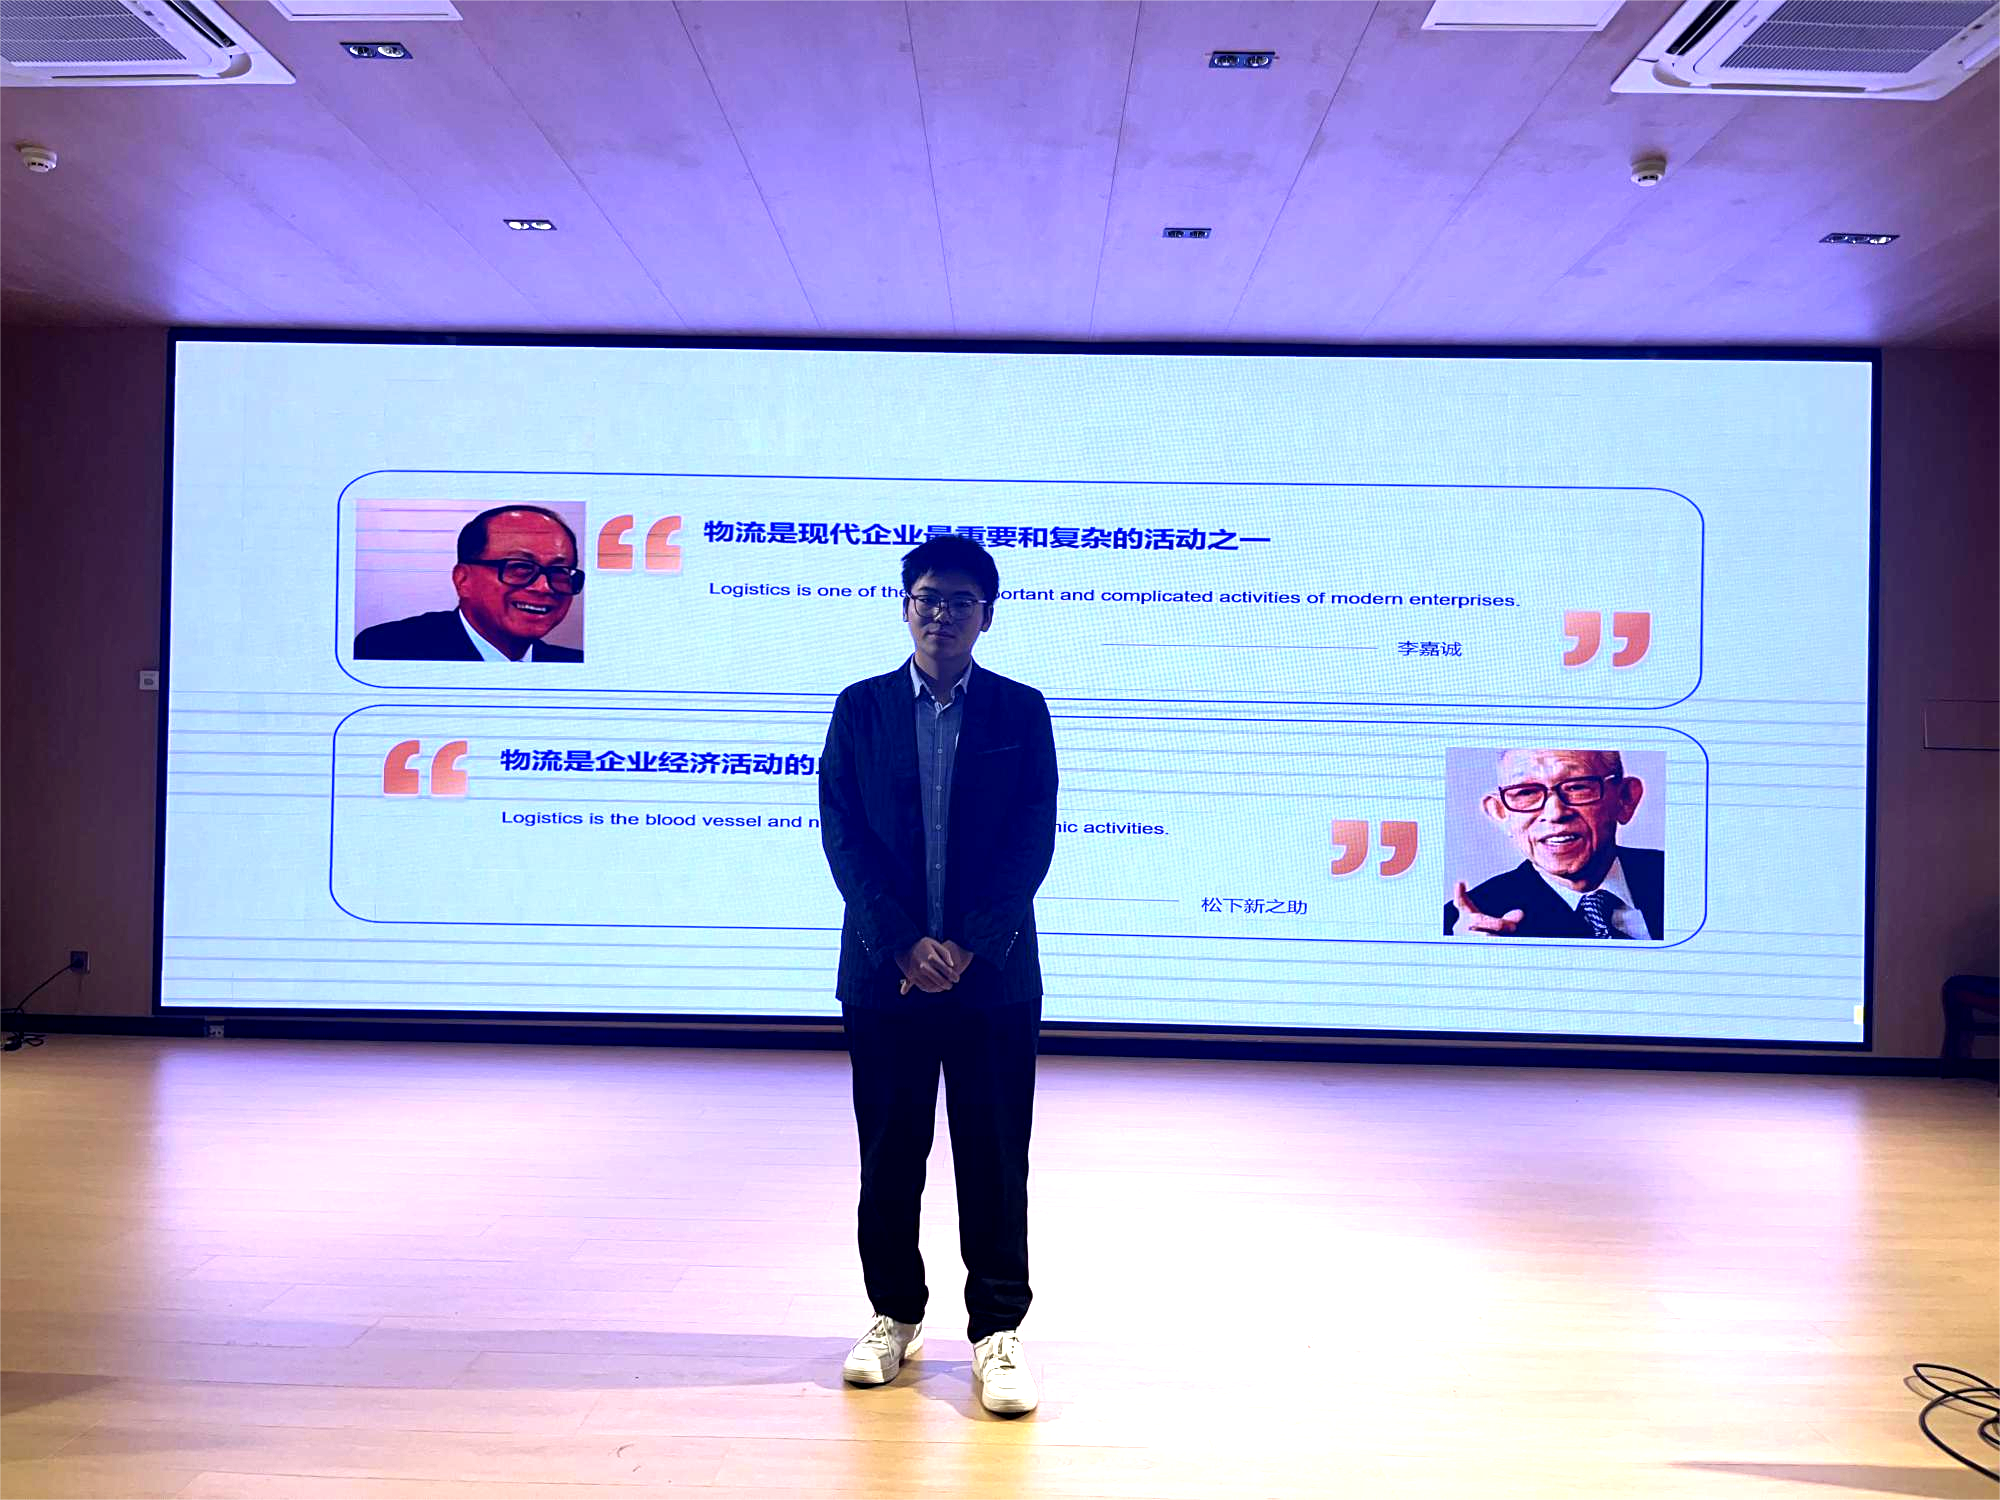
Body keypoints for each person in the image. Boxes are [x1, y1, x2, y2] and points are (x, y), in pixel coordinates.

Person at [817, 535, 1059, 1416]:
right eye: (927, 597)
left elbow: (1031, 837)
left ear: (986, 615)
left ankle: (997, 1331)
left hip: (992, 977)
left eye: (961, 600)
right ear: (904, 606)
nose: (942, 613)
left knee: (993, 1156)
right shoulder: (861, 708)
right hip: (885, 976)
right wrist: (902, 943)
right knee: (889, 1155)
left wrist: (966, 944)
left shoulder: (1021, 710)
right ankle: (894, 1315)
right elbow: (843, 833)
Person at [1445, 749, 1664, 939]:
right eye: (1526, 793)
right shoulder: (1469, 924)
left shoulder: (1675, 875)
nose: (1555, 813)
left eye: (1577, 787)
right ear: (1501, 813)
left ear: (1625, 799)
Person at [353, 505, 584, 662]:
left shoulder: (575, 665)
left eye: (559, 571)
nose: (544, 587)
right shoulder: (388, 649)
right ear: (463, 580)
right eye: (520, 568)